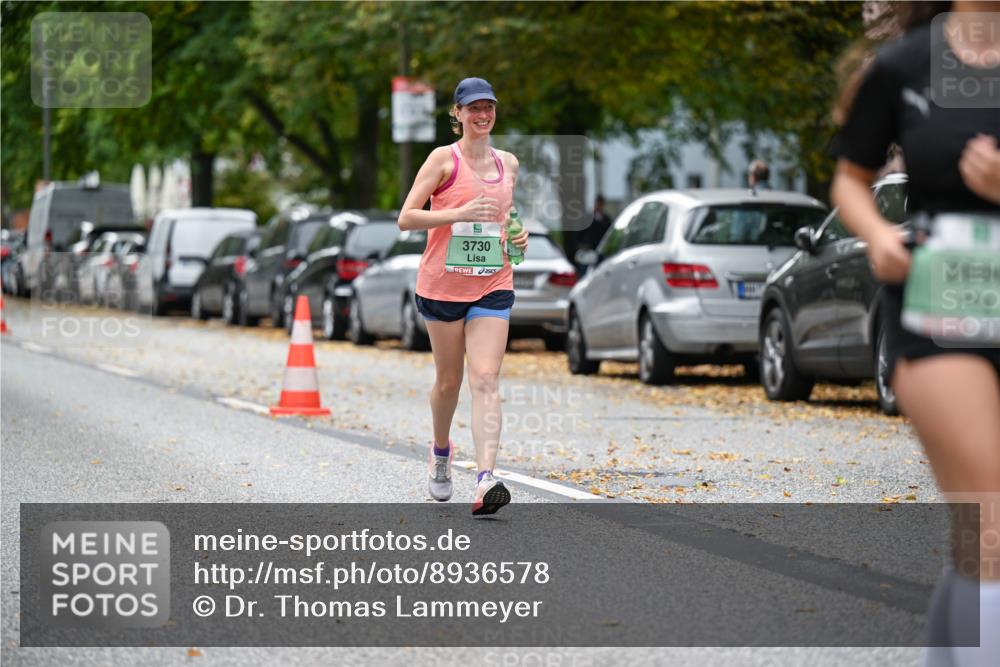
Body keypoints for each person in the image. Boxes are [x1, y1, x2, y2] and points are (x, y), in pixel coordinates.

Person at [830, 2, 1000, 665]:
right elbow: (850, 178)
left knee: (976, 539)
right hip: (938, 307)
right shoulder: (904, 65)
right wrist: (878, 237)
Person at [397, 77, 528, 516]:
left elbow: (505, 216)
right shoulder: (442, 160)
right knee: (449, 382)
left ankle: (486, 477)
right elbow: (407, 218)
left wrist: (517, 235)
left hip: (493, 282)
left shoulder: (507, 163)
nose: (482, 114)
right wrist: (458, 213)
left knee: (486, 378)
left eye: (488, 106)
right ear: (457, 114)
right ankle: (440, 452)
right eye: (473, 108)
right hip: (442, 286)